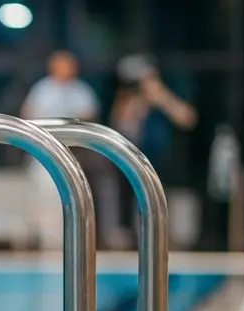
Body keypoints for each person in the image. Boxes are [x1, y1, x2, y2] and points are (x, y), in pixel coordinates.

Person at [111, 56, 197, 247]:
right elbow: (122, 125)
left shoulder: (167, 96)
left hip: (167, 165)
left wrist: (161, 98)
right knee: (141, 210)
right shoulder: (129, 100)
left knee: (169, 213)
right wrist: (139, 105)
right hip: (140, 164)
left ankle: (169, 242)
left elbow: (187, 119)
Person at [21, 51, 100, 249]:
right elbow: (28, 112)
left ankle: (70, 238)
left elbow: (89, 115)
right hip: (43, 149)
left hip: (71, 152)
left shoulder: (81, 90)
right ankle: (45, 240)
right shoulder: (42, 88)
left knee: (70, 194)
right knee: (43, 195)